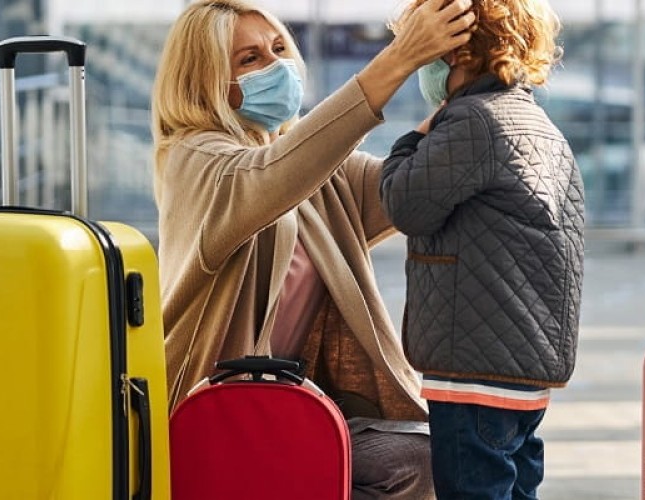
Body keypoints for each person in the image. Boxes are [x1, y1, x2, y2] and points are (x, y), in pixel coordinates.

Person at [151, 0, 475, 498]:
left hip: (291, 406)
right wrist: (400, 57)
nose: (275, 65)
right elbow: (274, 176)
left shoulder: (314, 168)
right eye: (249, 59)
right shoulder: (194, 161)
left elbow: (404, 185)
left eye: (279, 48)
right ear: (206, 82)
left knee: (414, 460)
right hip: (210, 414)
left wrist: (471, 88)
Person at [379, 0, 584, 498]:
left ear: (455, 52)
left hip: (473, 371)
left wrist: (412, 139)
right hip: (525, 370)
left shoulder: (473, 120)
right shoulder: (540, 125)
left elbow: (405, 204)